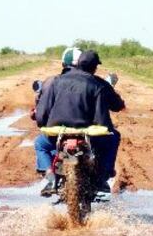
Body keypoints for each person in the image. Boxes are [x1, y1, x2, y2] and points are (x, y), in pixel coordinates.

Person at [34, 50, 124, 196]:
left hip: (59, 134)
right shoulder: (99, 83)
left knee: (40, 144)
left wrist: (43, 123)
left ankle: (50, 177)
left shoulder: (55, 81)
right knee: (113, 138)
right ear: (95, 67)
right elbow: (117, 105)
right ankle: (102, 178)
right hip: (91, 136)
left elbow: (42, 113)